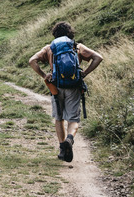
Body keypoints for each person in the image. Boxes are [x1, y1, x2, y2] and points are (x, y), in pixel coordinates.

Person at [28, 21, 102, 162]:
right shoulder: (77, 47)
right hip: (74, 87)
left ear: (55, 34)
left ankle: (63, 149)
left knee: (59, 118)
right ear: (70, 33)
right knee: (73, 119)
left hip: (56, 87)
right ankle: (70, 138)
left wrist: (45, 75)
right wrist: (84, 73)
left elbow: (32, 60)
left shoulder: (50, 48)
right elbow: (98, 57)